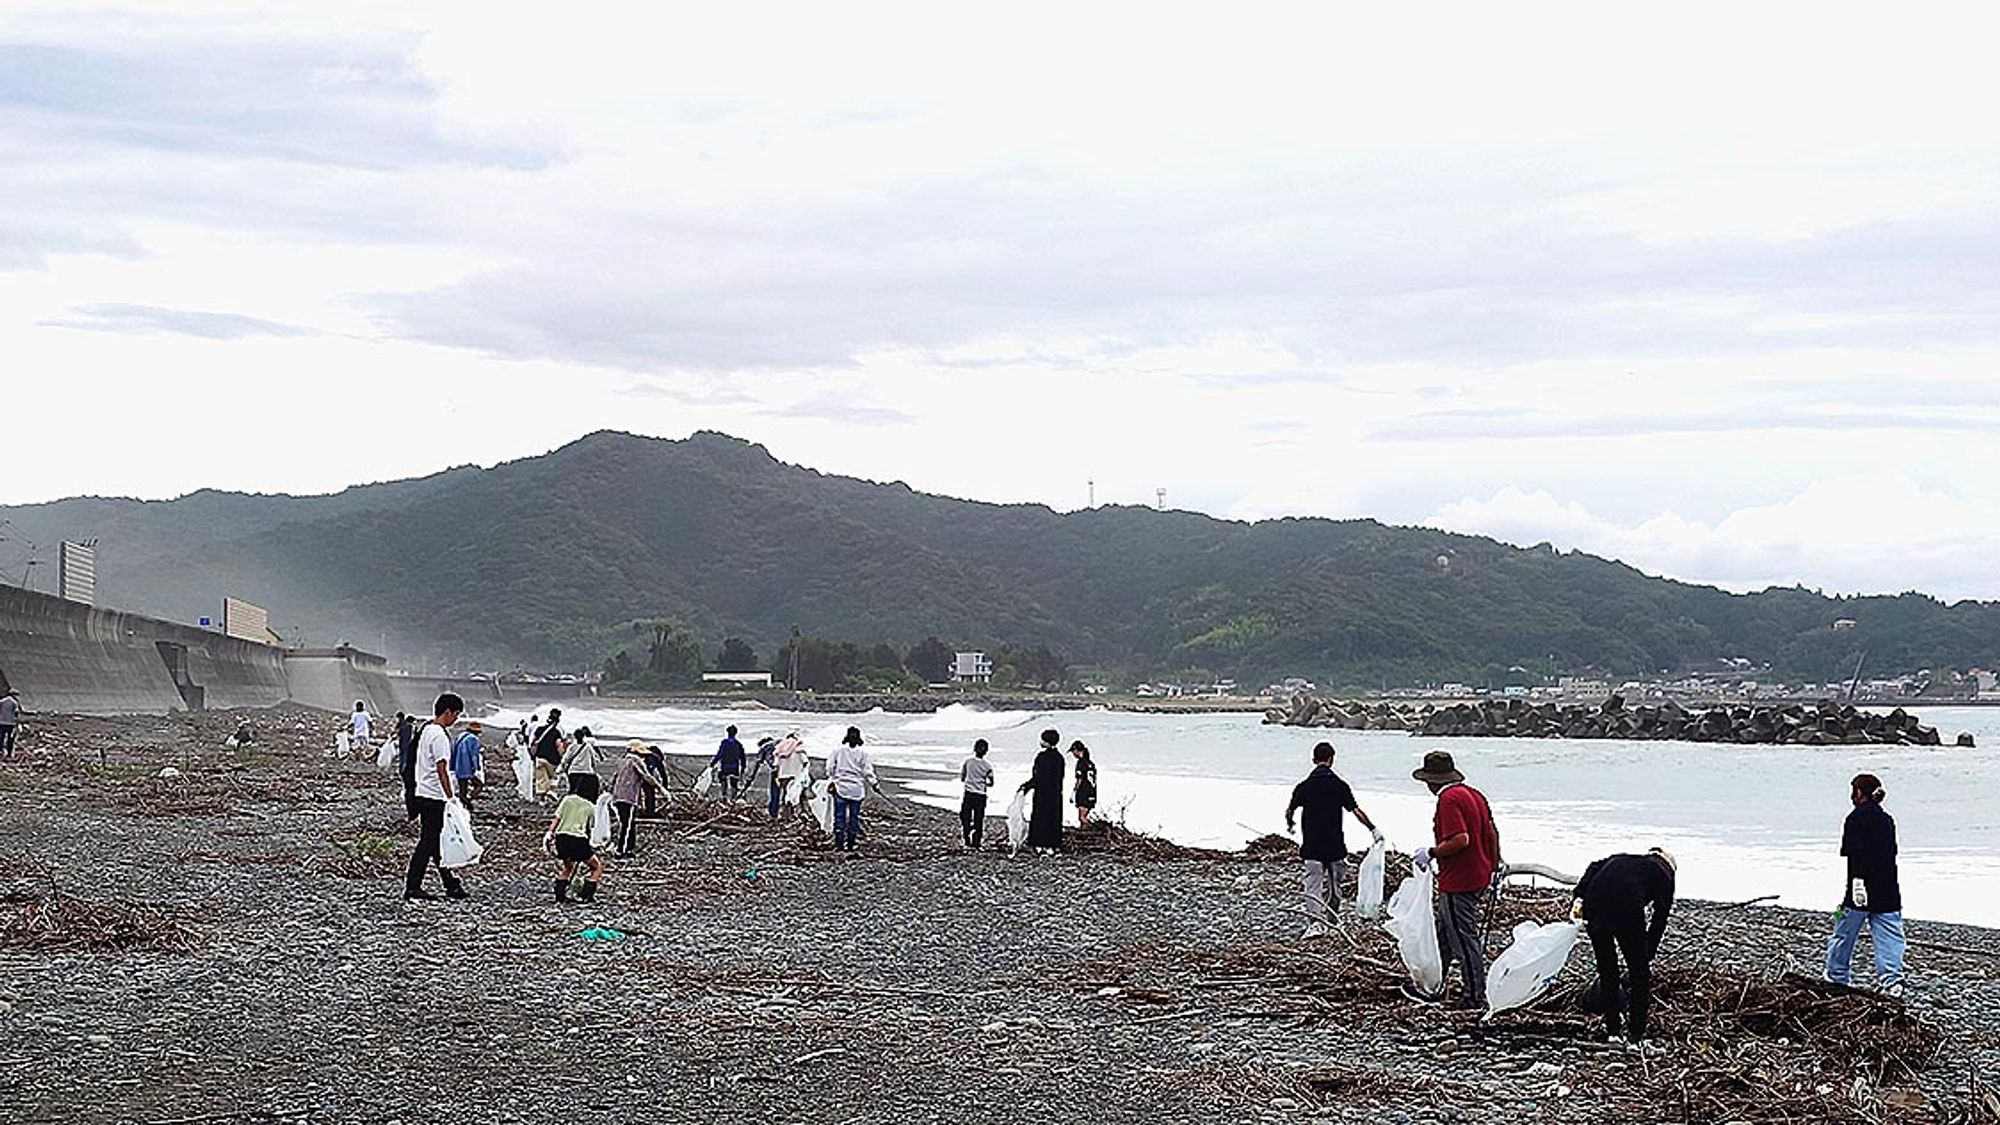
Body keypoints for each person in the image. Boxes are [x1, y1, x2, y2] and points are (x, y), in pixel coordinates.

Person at [1408, 750, 1501, 1008]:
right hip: (1480, 874)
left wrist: (1432, 852)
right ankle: (1433, 983)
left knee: (1462, 937)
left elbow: (1461, 839)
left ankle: (1474, 995)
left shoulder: (1448, 799)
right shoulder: (1474, 794)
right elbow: (1491, 833)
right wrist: (1494, 867)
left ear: (1431, 781)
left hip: (1459, 879)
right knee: (1444, 934)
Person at [1573, 848, 1677, 1044]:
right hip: (1626, 904)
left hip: (1594, 903)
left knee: (1607, 970)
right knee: (1640, 975)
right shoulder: (1665, 874)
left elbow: (1593, 866)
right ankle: (1635, 1036)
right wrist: (1648, 952)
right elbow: (1660, 917)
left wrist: (1579, 896)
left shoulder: (1624, 859)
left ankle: (1613, 1033)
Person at [1284, 741, 1384, 936]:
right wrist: (1373, 829)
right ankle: (1333, 920)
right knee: (1334, 884)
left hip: (1312, 843)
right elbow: (1356, 811)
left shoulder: (1304, 786)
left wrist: (1290, 824)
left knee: (1313, 884)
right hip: (1334, 843)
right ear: (1331, 759)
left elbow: (1290, 809)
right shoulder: (1340, 785)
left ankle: (1315, 923)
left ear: (1314, 760)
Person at [1826, 772, 1905, 997]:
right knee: (1890, 936)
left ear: (1860, 793)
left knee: (1842, 932)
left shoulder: (1855, 819)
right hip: (1888, 890)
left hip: (1857, 890)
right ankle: (1892, 982)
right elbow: (1891, 854)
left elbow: (1854, 853)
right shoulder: (1887, 819)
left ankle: (1836, 976)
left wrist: (1857, 884)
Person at [403, 693, 469, 902]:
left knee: (434, 841)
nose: (456, 719)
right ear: (447, 711)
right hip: (434, 796)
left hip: (422, 792)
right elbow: (442, 769)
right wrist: (451, 797)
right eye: (456, 714)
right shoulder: (439, 735)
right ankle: (413, 886)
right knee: (428, 842)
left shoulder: (426, 730)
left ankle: (450, 883)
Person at [544, 772, 603, 903]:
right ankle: (587, 895)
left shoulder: (567, 799)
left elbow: (556, 819)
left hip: (561, 838)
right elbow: (589, 829)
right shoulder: (590, 806)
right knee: (596, 867)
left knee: (568, 867)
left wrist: (549, 834)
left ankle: (560, 895)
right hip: (578, 839)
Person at [825, 727, 879, 852]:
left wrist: (833, 777)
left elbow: (829, 768)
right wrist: (874, 784)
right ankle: (850, 844)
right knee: (854, 817)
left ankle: (839, 845)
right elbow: (868, 772)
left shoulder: (838, 751)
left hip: (840, 788)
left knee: (839, 817)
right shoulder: (863, 754)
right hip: (856, 790)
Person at [611, 741, 664, 859]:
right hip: (628, 797)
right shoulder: (635, 760)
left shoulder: (623, 761)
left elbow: (615, 777)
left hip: (618, 796)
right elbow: (647, 776)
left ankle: (629, 850)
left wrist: (611, 793)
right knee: (627, 825)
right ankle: (621, 851)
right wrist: (661, 789)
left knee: (627, 823)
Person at [1018, 729, 1066, 854]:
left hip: (1042, 793)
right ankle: (1052, 845)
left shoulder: (1041, 757)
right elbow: (1060, 777)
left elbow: (1037, 777)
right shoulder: (1060, 758)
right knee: (1053, 818)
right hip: (1055, 793)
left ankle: (1039, 844)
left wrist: (1026, 786)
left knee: (1040, 817)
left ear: (1046, 741)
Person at [959, 739, 995, 848]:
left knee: (965, 816)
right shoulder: (988, 766)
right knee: (979, 818)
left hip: (969, 792)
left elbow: (962, 777)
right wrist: (984, 783)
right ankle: (976, 842)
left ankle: (967, 839)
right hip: (981, 794)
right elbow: (991, 782)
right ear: (986, 751)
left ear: (974, 749)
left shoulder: (968, 762)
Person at [769, 731, 807, 820]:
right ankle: (794, 814)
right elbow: (805, 762)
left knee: (785, 795)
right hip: (795, 776)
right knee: (796, 795)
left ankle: (785, 815)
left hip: (783, 776)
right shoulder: (799, 749)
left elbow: (775, 765)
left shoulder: (780, 749)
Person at [559, 725, 606, 795]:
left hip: (573, 771)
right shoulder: (588, 746)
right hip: (586, 771)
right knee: (583, 791)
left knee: (572, 790)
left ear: (575, 736)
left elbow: (565, 759)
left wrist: (563, 767)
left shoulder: (572, 747)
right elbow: (594, 758)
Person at [531, 708, 565, 800]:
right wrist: (562, 756)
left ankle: (542, 799)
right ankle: (551, 791)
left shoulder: (539, 729)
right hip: (552, 759)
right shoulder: (556, 732)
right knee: (554, 777)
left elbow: (533, 741)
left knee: (540, 779)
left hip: (539, 757)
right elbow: (558, 745)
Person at [451, 720, 484, 808]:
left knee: (463, 788)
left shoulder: (461, 736)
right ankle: (468, 802)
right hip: (467, 768)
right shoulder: (473, 739)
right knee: (479, 785)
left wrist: (452, 766)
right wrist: (477, 767)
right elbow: (474, 755)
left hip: (458, 767)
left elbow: (453, 751)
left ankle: (463, 805)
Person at [395, 711, 419, 820]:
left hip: (405, 761)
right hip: (410, 763)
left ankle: (411, 813)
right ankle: (413, 813)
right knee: (412, 790)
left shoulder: (403, 726)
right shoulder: (410, 729)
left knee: (409, 790)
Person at [713, 725, 747, 801]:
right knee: (734, 784)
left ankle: (724, 796)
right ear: (736, 733)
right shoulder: (738, 744)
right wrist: (743, 767)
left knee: (723, 781)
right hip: (735, 767)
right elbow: (742, 757)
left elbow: (720, 754)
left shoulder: (724, 743)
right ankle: (733, 799)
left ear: (727, 732)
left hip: (725, 767)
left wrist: (713, 763)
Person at [1070, 740, 1099, 826]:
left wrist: (1074, 792)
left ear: (1077, 750)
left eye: (1073, 751)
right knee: (1084, 817)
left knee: (1082, 817)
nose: (1073, 754)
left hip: (1084, 793)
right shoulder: (1090, 764)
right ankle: (1085, 833)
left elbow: (1079, 779)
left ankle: (1095, 829)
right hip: (1092, 792)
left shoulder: (1081, 763)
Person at [0, 688, 22, 762]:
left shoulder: (2, 701)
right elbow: (16, 713)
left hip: (2, 722)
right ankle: (9, 754)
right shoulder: (14, 702)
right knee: (10, 739)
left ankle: (1, 751)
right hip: (10, 723)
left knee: (1, 737)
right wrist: (17, 721)